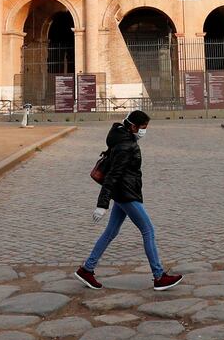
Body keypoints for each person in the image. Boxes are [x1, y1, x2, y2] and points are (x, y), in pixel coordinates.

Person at [74, 110, 182, 291]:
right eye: (143, 128)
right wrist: (102, 205)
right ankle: (159, 276)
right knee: (148, 230)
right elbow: (113, 175)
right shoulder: (126, 145)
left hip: (123, 192)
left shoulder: (123, 137)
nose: (144, 132)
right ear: (133, 126)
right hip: (126, 194)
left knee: (110, 232)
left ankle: (87, 269)